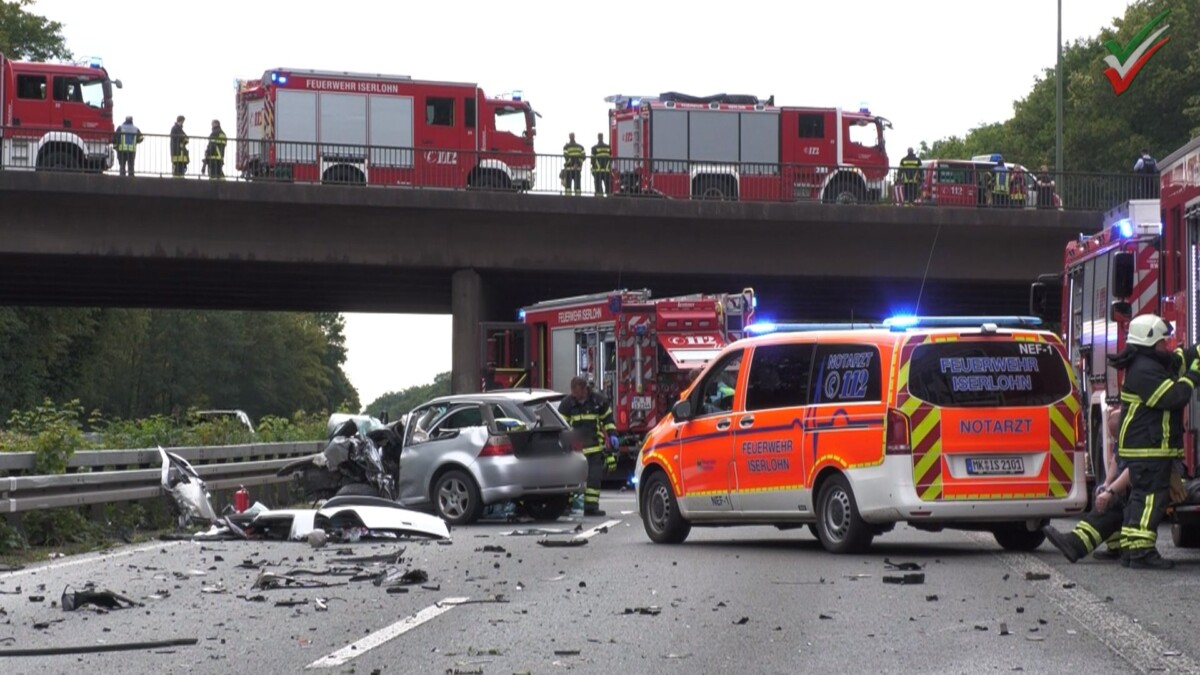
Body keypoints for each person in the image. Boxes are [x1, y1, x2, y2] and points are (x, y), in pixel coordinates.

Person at [1109, 314, 1200, 569]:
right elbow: (1173, 397)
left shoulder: (1148, 362)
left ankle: (1131, 550)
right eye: (1163, 341)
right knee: (1151, 499)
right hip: (1147, 447)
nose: (1166, 345)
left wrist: (1194, 352)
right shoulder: (1144, 371)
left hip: (1144, 447)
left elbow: (1176, 360)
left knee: (1140, 498)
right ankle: (1141, 553)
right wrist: (1193, 376)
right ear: (1149, 342)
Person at [1043, 407, 1130, 562]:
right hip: (1132, 481)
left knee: (1114, 500)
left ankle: (1076, 544)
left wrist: (1110, 491)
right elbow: (1117, 459)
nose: (1115, 439)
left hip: (1146, 483)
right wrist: (1106, 483)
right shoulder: (1126, 435)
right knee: (1099, 492)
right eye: (1114, 436)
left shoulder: (1139, 436)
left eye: (1117, 435)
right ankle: (1116, 546)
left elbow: (1135, 470)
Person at [558, 376, 617, 516]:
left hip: (594, 449)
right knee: (571, 478)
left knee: (593, 479)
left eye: (577, 393)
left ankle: (591, 507)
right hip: (575, 451)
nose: (575, 396)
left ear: (585, 389)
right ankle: (566, 506)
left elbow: (608, 420)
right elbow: (560, 426)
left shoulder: (598, 401)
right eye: (573, 392)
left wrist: (612, 434)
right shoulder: (567, 404)